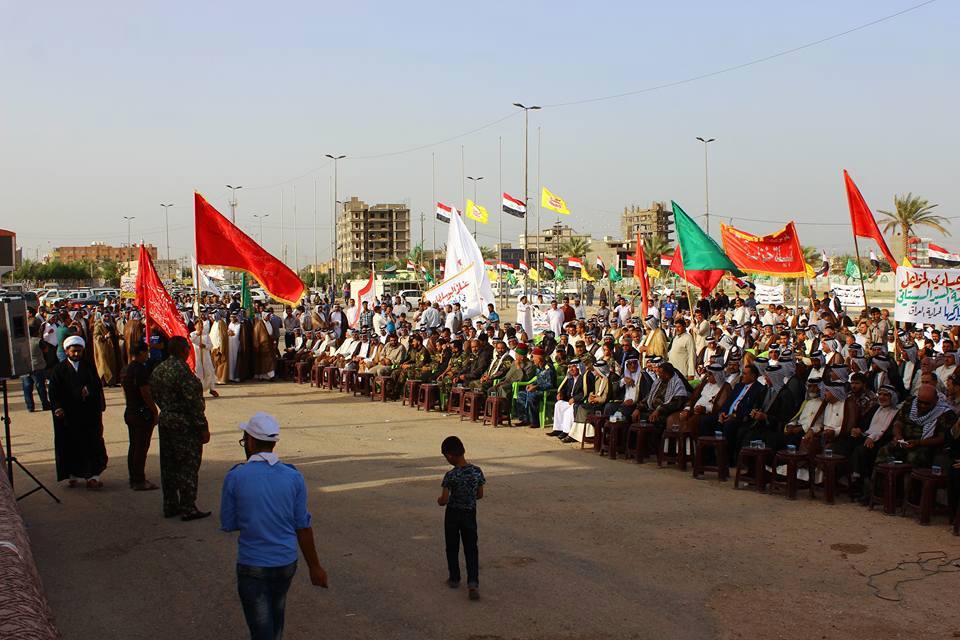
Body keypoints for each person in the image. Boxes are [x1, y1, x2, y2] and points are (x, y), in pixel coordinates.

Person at [221, 413, 328, 640]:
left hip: (252, 563)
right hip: (285, 562)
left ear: (250, 441)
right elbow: (303, 526)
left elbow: (229, 523)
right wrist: (315, 567)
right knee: (276, 614)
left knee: (261, 628)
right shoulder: (293, 476)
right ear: (273, 443)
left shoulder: (236, 477)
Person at [151, 336, 212, 521]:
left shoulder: (159, 369)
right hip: (184, 423)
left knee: (168, 465)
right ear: (184, 350)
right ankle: (188, 507)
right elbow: (194, 402)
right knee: (188, 465)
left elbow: (154, 393)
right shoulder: (183, 372)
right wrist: (202, 427)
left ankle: (170, 504)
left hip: (166, 419)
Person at [48, 335, 108, 489]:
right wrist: (58, 408)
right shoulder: (59, 370)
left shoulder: (89, 367)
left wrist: (89, 390)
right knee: (71, 444)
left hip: (88, 414)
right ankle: (72, 474)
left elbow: (96, 385)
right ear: (67, 351)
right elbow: (54, 393)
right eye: (73, 351)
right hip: (70, 415)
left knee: (92, 444)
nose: (76, 354)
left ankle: (93, 477)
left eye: (79, 351)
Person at [437, 435, 485, 601]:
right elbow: (480, 494)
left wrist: (440, 501)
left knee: (452, 546)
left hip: (453, 514)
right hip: (470, 513)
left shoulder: (451, 475)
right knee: (471, 548)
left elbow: (443, 500)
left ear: (450, 456)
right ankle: (473, 582)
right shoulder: (476, 472)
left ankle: (454, 578)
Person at [122, 343, 160, 491]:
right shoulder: (139, 369)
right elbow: (145, 392)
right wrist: (154, 411)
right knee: (141, 447)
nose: (147, 355)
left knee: (134, 446)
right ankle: (138, 480)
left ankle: (134, 477)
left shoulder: (126, 368)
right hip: (140, 413)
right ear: (141, 353)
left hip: (131, 410)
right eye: (146, 352)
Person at [190, 319, 220, 397]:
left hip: (206, 357)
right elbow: (189, 341)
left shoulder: (206, 335)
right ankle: (198, 390)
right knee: (198, 374)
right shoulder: (192, 334)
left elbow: (210, 345)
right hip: (197, 357)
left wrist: (205, 346)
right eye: (199, 325)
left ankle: (212, 389)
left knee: (210, 372)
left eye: (201, 325)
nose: (200, 326)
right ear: (195, 326)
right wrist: (197, 334)